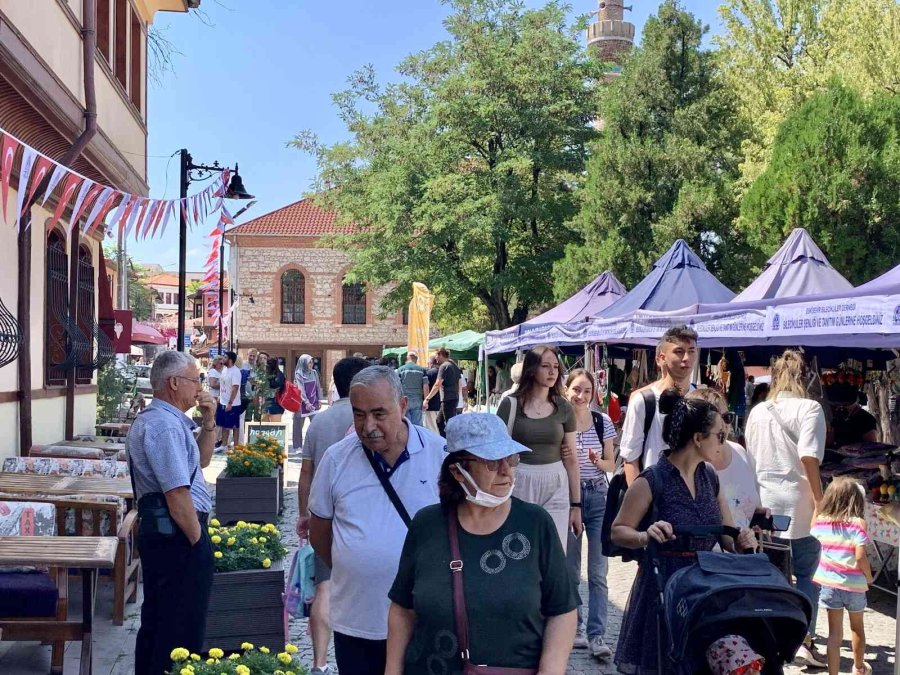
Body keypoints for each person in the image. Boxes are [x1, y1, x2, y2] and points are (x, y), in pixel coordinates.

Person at [386, 413, 579, 675]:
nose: (505, 471)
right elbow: (402, 610)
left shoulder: (535, 524)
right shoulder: (427, 525)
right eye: (491, 462)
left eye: (510, 459)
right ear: (458, 470)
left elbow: (562, 610)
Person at [308, 366, 445, 675]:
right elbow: (319, 533)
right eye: (359, 415)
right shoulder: (336, 459)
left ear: (403, 406)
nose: (368, 426)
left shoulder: (439, 455)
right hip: (357, 620)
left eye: (379, 414)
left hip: (424, 619)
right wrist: (356, 563)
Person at [611, 389, 757, 675]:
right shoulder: (653, 479)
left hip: (705, 589)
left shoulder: (710, 477)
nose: (723, 443)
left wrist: (742, 538)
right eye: (720, 436)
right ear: (698, 438)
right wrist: (645, 536)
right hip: (664, 589)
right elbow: (618, 531)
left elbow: (727, 537)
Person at [127, 351, 217, 675]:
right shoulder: (163, 426)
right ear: (175, 383)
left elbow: (202, 463)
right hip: (177, 536)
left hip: (172, 534)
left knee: (162, 622)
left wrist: (209, 423)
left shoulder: (168, 421)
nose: (200, 387)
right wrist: (198, 542)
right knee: (179, 629)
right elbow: (177, 494)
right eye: (196, 380)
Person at [745, 349, 827, 668]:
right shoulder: (809, 408)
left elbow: (751, 455)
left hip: (764, 500)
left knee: (773, 572)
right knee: (807, 573)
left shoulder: (759, 411)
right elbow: (809, 457)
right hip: (799, 500)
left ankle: (772, 634)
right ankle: (803, 639)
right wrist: (820, 500)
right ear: (805, 377)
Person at [298, 356, 369, 675]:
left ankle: (319, 662)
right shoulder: (372, 420)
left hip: (326, 515)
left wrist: (304, 515)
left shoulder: (320, 421)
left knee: (324, 587)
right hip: (363, 516)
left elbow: (305, 475)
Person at [496, 345, 582, 548]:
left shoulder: (564, 406)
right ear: (532, 369)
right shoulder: (510, 404)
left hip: (556, 480)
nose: (552, 371)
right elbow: (498, 450)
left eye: (555, 366)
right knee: (519, 546)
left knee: (554, 548)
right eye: (545, 366)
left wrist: (576, 504)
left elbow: (571, 458)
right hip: (520, 479)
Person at [564, 369, 616, 658]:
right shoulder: (560, 420)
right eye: (576, 389)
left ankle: (597, 636)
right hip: (570, 498)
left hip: (598, 496)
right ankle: (574, 628)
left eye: (586, 391)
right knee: (571, 571)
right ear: (566, 389)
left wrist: (600, 462)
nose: (581, 396)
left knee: (598, 573)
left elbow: (612, 464)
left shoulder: (602, 421)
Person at [620, 325, 699, 485]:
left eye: (691, 351)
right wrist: (641, 504)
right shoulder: (643, 401)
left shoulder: (701, 399)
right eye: (679, 351)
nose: (686, 358)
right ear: (660, 358)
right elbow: (630, 459)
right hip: (656, 494)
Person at [811, 477, 873, 675]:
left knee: (834, 635)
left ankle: (833, 673)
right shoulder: (858, 523)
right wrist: (869, 576)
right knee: (857, 628)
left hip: (829, 584)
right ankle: (859, 667)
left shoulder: (821, 522)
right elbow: (860, 556)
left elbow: (813, 532)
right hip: (854, 584)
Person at [687, 388, 763, 529]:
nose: (723, 426)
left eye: (726, 417)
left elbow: (753, 502)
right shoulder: (688, 466)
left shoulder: (739, 452)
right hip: (710, 550)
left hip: (744, 549)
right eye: (713, 420)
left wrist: (758, 515)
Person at [826, 382, 878, 448]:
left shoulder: (867, 419)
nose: (841, 408)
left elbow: (871, 447)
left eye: (846, 404)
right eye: (836, 405)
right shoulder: (833, 419)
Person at [424, 348, 462, 436]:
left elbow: (437, 384)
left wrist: (427, 398)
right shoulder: (454, 365)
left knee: (447, 424)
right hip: (454, 398)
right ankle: (445, 441)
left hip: (447, 399)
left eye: (436, 356)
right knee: (439, 421)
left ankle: (449, 444)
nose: (436, 359)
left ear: (440, 354)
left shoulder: (444, 366)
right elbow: (459, 383)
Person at [293, 354, 323, 450]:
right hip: (301, 404)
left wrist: (319, 400)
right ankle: (297, 446)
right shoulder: (298, 374)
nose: (311, 364)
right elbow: (300, 389)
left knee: (316, 425)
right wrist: (306, 402)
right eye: (309, 362)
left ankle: (314, 446)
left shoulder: (314, 373)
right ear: (303, 363)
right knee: (298, 426)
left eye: (311, 362)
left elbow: (318, 386)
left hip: (313, 403)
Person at [215, 351, 242, 449]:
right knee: (223, 424)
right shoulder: (225, 369)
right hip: (223, 401)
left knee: (234, 425)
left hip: (233, 403)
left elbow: (235, 388)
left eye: (225, 357)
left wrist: (230, 403)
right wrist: (220, 396)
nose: (223, 359)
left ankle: (236, 446)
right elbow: (223, 384)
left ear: (230, 360)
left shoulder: (235, 371)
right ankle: (224, 445)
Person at [396, 352, 428, 426]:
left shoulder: (400, 370)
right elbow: (425, 386)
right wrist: (426, 400)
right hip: (417, 399)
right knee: (417, 425)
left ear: (407, 358)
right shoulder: (421, 370)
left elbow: (397, 386)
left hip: (404, 399)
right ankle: (416, 437)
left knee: (406, 424)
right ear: (416, 359)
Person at [262, 357, 286, 422]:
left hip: (276, 402)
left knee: (275, 427)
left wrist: (267, 381)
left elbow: (276, 385)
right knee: (265, 428)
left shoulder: (278, 374)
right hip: (266, 403)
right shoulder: (267, 374)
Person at [423, 356, 441, 434]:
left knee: (431, 428)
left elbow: (426, 387)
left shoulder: (429, 373)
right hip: (443, 404)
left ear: (430, 363)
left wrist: (426, 400)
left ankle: (435, 445)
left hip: (431, 404)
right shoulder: (443, 372)